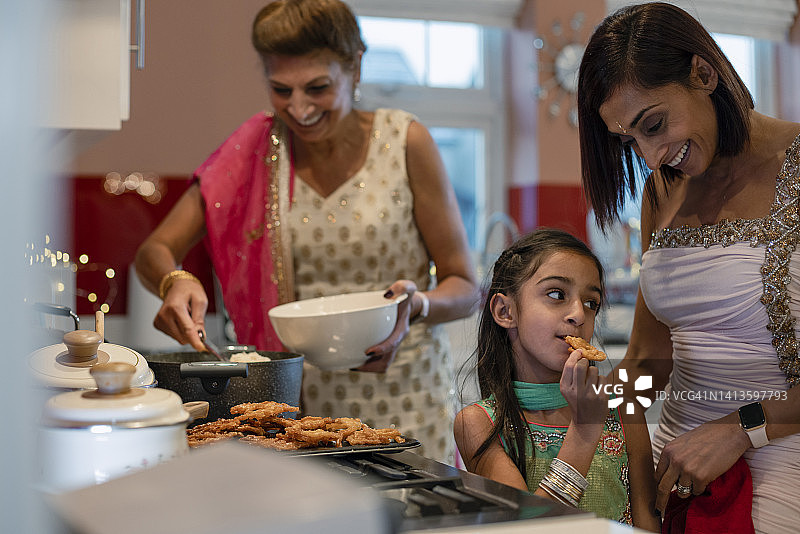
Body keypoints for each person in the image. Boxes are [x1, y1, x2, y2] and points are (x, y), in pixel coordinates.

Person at [134, 0, 479, 463]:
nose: (298, 107)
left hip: (408, 400)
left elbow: (465, 286)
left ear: (355, 67)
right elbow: (154, 249)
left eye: (318, 87)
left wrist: (415, 306)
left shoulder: (405, 142)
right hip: (295, 411)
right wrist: (175, 281)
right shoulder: (255, 152)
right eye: (281, 89)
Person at [577, 3, 800, 532]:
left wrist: (741, 429)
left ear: (704, 73)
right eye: (630, 141)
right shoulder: (662, 192)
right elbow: (650, 361)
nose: (651, 157)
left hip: (784, 453)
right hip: (675, 461)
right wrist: (593, 407)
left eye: (653, 124)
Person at [454, 228, 659, 530]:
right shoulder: (478, 424)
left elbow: (647, 524)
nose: (578, 314)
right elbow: (529, 530)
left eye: (592, 302)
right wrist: (584, 433)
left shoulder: (625, 411)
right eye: (556, 294)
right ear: (505, 310)